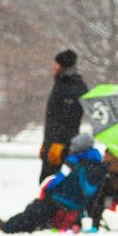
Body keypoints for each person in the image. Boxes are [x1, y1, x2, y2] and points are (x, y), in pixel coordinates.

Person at [0, 133, 106, 233]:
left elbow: (58, 179)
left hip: (64, 200)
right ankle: (12, 225)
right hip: (78, 204)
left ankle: (9, 226)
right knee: (36, 210)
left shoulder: (74, 161)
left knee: (34, 210)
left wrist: (48, 189)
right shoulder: (96, 161)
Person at [39, 49, 88, 182]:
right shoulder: (62, 83)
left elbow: (69, 119)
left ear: (63, 66)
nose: (53, 67)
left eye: (56, 64)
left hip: (62, 145)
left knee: (55, 182)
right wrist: (46, 142)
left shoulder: (72, 86)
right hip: (53, 142)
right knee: (49, 183)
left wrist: (58, 143)